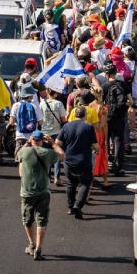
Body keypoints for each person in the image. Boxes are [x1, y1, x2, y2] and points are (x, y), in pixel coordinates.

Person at [17, 130, 59, 261]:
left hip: (27, 192)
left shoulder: (24, 152)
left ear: (32, 140)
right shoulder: (48, 153)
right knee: (41, 220)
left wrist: (27, 143)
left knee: (27, 220)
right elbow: (62, 155)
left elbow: (17, 156)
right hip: (43, 192)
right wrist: (52, 143)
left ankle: (31, 244)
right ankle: (39, 249)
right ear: (42, 141)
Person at [53, 107, 99, 218]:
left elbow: (57, 142)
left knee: (71, 183)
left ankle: (70, 207)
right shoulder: (88, 127)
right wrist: (96, 150)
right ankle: (78, 206)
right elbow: (95, 146)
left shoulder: (66, 126)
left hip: (69, 160)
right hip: (84, 161)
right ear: (85, 115)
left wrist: (65, 149)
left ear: (74, 114)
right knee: (85, 183)